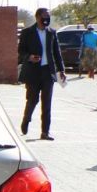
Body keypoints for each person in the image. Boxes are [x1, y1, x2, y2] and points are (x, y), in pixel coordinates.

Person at [17, 8, 66, 140]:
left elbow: (57, 52)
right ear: (37, 17)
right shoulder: (28, 32)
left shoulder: (52, 33)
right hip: (33, 71)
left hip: (47, 72)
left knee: (47, 102)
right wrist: (29, 57)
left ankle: (45, 132)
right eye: (45, 16)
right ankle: (26, 119)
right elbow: (20, 51)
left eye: (48, 17)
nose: (47, 19)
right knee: (32, 99)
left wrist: (61, 70)